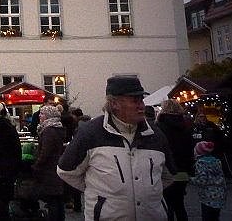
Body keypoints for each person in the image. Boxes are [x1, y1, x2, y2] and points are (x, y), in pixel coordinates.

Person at [58, 75, 175, 220]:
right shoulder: (90, 133)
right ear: (114, 103)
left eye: (141, 100)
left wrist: (144, 192)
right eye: (135, 101)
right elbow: (66, 171)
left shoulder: (155, 134)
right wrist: (100, 194)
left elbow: (168, 175)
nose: (141, 106)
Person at [156, 99, 194, 221]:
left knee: (168, 205)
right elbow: (190, 150)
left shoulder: (159, 127)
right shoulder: (185, 126)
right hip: (183, 172)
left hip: (167, 171)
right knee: (180, 204)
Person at [33, 104, 66, 221]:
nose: (39, 116)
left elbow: (45, 151)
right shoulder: (57, 128)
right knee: (57, 199)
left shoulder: (48, 131)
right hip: (55, 167)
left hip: (50, 169)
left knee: (53, 199)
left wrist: (37, 165)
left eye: (42, 114)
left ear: (48, 116)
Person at [191, 141, 226, 220]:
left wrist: (190, 179)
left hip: (207, 196)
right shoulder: (217, 161)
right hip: (219, 195)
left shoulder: (201, 163)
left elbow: (201, 181)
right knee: (215, 218)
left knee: (206, 217)